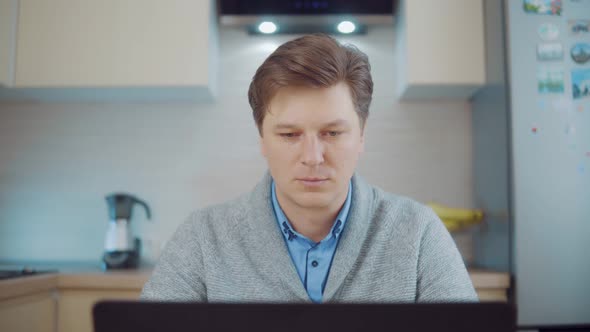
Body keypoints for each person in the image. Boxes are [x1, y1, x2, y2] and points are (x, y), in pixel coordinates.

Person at [141, 34, 478, 303]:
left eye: (332, 133)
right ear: (262, 139)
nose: (313, 156)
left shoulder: (418, 233)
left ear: (361, 135)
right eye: (290, 135)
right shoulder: (202, 238)